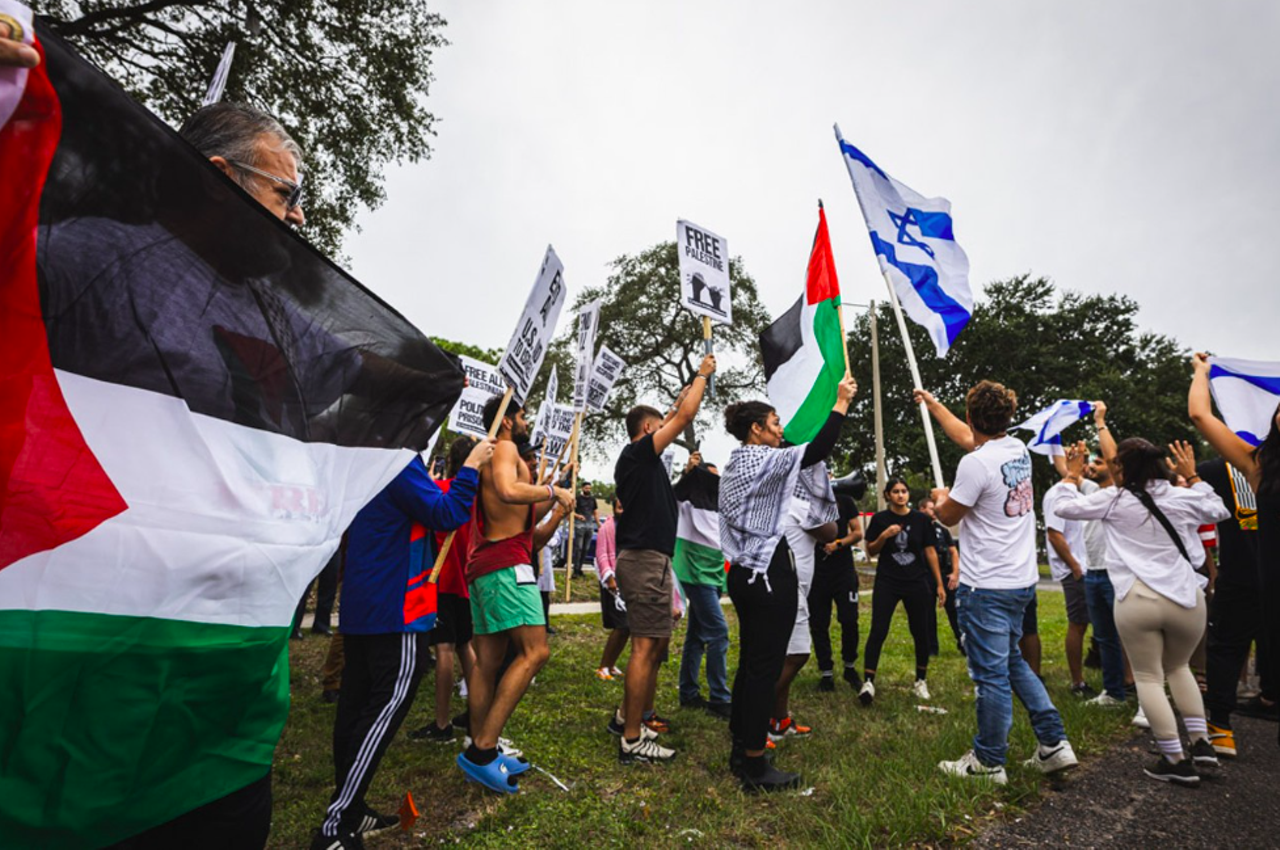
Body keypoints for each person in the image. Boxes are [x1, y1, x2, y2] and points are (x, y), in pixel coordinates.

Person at [315, 438, 494, 849]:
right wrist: (470, 468)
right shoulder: (397, 461)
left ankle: (351, 805)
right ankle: (337, 823)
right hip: (396, 609)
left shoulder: (366, 459)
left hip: (365, 605)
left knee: (356, 707)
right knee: (385, 708)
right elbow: (446, 513)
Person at [917, 382, 1077, 785]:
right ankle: (1055, 745)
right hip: (1019, 582)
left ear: (973, 418)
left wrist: (939, 499)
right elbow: (968, 438)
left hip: (985, 586)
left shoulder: (974, 465)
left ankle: (988, 762)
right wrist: (934, 406)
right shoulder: (1017, 450)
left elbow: (949, 516)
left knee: (990, 677)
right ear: (1008, 416)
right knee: (1013, 664)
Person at [1055, 438, 1230, 784]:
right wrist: (1193, 476)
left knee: (1149, 676)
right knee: (1180, 668)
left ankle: (1175, 758)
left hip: (1138, 599)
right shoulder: (1181, 495)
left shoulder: (1113, 500)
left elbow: (1064, 509)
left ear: (1123, 467)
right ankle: (1202, 743)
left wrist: (1070, 476)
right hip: (1185, 597)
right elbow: (1219, 509)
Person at [719, 375, 856, 792]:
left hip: (747, 572)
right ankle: (756, 766)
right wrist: (840, 403)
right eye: (775, 423)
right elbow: (816, 451)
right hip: (764, 573)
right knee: (764, 668)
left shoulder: (741, 461)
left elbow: (804, 458)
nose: (781, 430)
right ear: (756, 429)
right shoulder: (756, 459)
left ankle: (742, 748)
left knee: (751, 666)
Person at [457, 395, 572, 794]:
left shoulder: (498, 454)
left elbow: (529, 531)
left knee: (487, 663)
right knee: (535, 652)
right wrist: (551, 489)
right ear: (506, 422)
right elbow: (508, 491)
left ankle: (481, 747)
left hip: (492, 566)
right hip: (506, 569)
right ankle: (483, 749)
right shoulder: (503, 448)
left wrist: (556, 508)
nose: (526, 423)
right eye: (521, 416)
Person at [611, 353, 716, 765]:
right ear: (649, 429)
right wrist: (704, 376)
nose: (669, 427)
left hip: (652, 559)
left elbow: (677, 407)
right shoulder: (637, 453)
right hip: (643, 561)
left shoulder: (644, 462)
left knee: (654, 647)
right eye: (662, 424)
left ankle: (628, 718)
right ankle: (632, 740)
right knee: (643, 648)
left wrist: (689, 383)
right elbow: (685, 414)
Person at [1188, 352, 1280, 750]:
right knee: (1227, 649)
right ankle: (1221, 728)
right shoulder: (1258, 467)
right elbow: (1200, 416)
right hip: (1252, 577)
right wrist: (1202, 373)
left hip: (1254, 579)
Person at [408, 436, 480, 745]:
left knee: (446, 650)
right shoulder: (479, 498)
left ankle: (441, 724)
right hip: (467, 582)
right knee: (467, 648)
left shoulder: (439, 491)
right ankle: (478, 717)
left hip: (442, 580)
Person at [771, 461, 840, 737]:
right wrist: (825, 499)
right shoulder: (798, 506)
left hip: (785, 586)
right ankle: (758, 715)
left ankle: (779, 720)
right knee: (798, 655)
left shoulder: (778, 502)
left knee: (782, 656)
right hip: (791, 588)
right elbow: (831, 532)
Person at [861, 479, 943, 704]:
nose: (900, 495)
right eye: (895, 492)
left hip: (916, 581)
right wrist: (884, 536)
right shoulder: (880, 519)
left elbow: (930, 552)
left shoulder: (921, 520)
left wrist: (939, 584)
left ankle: (921, 681)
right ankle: (868, 682)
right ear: (887, 495)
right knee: (879, 629)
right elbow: (871, 551)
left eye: (904, 491)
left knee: (921, 631)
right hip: (888, 581)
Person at [1076, 411, 1132, 707]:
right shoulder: (1089, 490)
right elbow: (1067, 471)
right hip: (1093, 574)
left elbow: (1112, 458)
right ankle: (1113, 692)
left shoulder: (1124, 492)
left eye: (1098, 462)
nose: (1092, 466)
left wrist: (1100, 421)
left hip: (1115, 574)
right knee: (1105, 637)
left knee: (1133, 637)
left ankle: (1144, 693)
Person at [673, 453, 732, 717]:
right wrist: (688, 474)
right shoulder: (685, 503)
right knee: (718, 633)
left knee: (696, 636)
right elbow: (673, 494)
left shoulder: (719, 507)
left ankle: (688, 693)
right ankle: (720, 699)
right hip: (695, 575)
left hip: (714, 576)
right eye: (710, 477)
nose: (715, 483)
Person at [1043, 465, 1097, 699]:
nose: (1087, 464)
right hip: (1077, 571)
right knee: (1078, 624)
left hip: (1091, 566)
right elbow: (1054, 533)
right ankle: (1078, 682)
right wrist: (1075, 567)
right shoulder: (1057, 493)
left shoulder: (1083, 492)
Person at [810, 488, 864, 691]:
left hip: (844, 573)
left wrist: (838, 543)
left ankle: (850, 667)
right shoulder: (807, 498)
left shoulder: (845, 499)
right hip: (817, 572)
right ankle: (826, 672)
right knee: (818, 623)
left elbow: (858, 533)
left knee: (849, 620)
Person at [919, 497, 963, 656]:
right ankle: (931, 648)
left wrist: (955, 573)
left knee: (954, 611)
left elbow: (953, 551)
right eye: (932, 508)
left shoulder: (942, 530)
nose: (935, 512)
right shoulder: (918, 529)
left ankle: (962, 642)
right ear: (922, 509)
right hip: (925, 577)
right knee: (927, 614)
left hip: (946, 575)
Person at [595, 497, 630, 681]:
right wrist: (609, 577)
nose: (621, 503)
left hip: (628, 581)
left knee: (627, 628)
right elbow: (601, 554)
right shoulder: (606, 527)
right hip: (613, 583)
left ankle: (611, 663)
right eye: (618, 500)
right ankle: (603, 666)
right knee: (622, 625)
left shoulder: (631, 525)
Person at [572, 482, 601, 577]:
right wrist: (578, 516)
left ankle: (579, 568)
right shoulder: (577, 498)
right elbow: (571, 511)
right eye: (586, 488)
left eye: (589, 488)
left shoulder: (593, 499)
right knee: (579, 548)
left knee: (586, 549)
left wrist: (598, 524)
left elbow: (595, 512)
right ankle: (575, 570)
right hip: (579, 525)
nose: (588, 490)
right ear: (582, 488)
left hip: (590, 526)